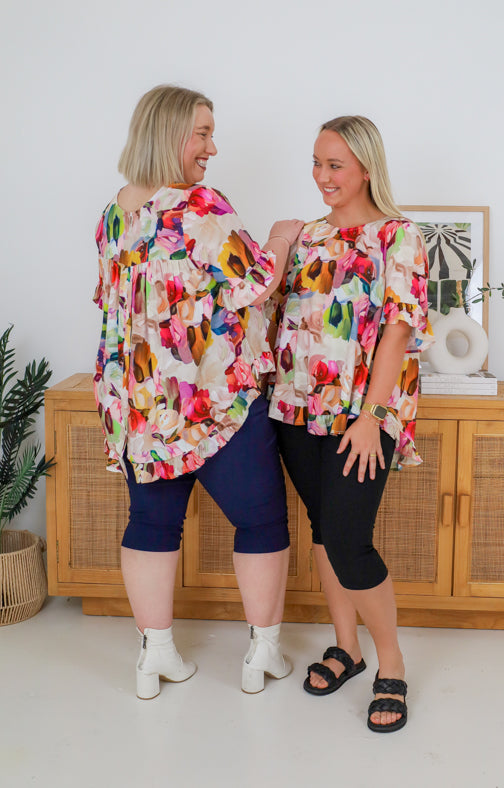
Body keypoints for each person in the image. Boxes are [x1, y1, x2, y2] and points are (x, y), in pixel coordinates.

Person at [93, 84, 303, 699]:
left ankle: (154, 656)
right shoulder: (198, 206)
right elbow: (257, 283)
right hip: (212, 402)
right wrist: (282, 237)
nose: (213, 146)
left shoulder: (114, 213)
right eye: (203, 133)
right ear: (169, 135)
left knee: (152, 525)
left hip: (141, 404)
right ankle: (263, 652)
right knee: (261, 519)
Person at [268, 115, 432, 732]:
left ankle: (392, 662)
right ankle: (348, 647)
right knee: (322, 527)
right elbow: (273, 308)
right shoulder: (305, 235)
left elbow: (398, 330)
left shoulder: (399, 236)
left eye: (335, 164)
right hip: (295, 405)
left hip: (363, 414)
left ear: (366, 166)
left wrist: (370, 418)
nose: (322, 176)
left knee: (347, 537)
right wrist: (277, 242)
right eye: (316, 162)